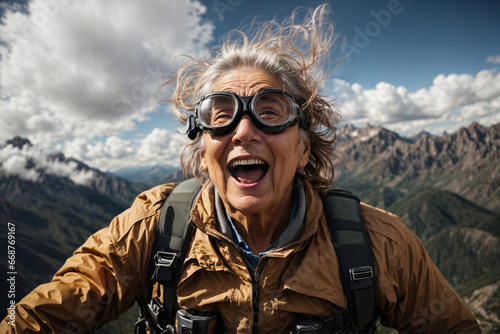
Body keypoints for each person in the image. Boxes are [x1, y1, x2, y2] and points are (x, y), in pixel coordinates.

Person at [1, 4, 481, 334]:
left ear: (304, 149)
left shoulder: (380, 243)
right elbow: (48, 313)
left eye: (270, 111)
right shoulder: (153, 228)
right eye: (220, 113)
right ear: (204, 148)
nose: (244, 131)